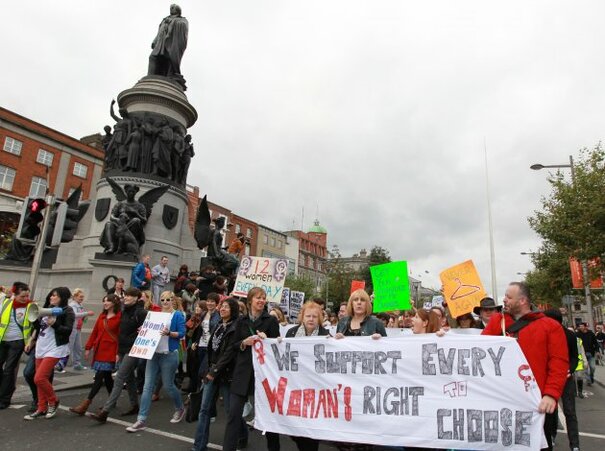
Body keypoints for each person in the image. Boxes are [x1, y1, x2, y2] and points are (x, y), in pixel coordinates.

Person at [482, 282, 568, 451]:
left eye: (508, 297)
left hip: (537, 403)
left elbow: (559, 362)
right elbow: (478, 349)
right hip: (503, 401)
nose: (504, 300)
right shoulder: (497, 322)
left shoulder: (550, 327)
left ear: (522, 301)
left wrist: (551, 394)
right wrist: (444, 336)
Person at [222, 288, 280, 451]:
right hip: (242, 373)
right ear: (250, 301)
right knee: (233, 415)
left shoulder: (271, 321)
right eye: (258, 298)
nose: (261, 301)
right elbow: (233, 345)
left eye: (263, 298)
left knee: (269, 417)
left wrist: (267, 340)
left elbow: (277, 347)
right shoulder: (241, 321)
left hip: (264, 375)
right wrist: (243, 343)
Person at [126, 291, 186, 432]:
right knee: (148, 387)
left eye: (168, 299)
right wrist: (143, 330)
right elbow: (149, 330)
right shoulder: (155, 314)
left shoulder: (177, 315)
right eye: (163, 299)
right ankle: (141, 419)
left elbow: (182, 333)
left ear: (173, 300)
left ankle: (180, 408)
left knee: (168, 385)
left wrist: (169, 333)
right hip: (153, 354)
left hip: (169, 354)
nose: (165, 302)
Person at [192, 298, 242, 451]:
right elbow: (211, 350)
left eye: (227, 307)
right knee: (204, 409)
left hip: (225, 373)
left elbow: (229, 353)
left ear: (233, 310)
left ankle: (242, 434)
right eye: (222, 307)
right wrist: (207, 369)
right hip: (211, 370)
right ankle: (199, 445)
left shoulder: (236, 327)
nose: (223, 309)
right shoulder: (218, 325)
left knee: (230, 411)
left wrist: (214, 371)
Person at [92, 288, 147, 423]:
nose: (127, 297)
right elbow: (119, 331)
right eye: (126, 295)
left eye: (130, 295)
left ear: (136, 298)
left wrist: (143, 330)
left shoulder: (141, 312)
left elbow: (147, 331)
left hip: (134, 348)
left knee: (120, 377)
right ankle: (134, 405)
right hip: (122, 348)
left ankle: (105, 410)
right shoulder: (123, 310)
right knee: (129, 378)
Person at [24, 287, 75, 420]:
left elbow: (67, 330)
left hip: (55, 348)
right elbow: (38, 327)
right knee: (41, 380)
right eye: (51, 295)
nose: (52, 298)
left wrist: (55, 324)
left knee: (39, 378)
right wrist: (34, 319)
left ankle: (53, 400)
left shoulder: (67, 311)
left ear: (62, 298)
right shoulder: (47, 308)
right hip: (41, 346)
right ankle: (41, 408)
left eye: (55, 296)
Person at [70, 294, 121, 415]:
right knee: (107, 378)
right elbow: (95, 332)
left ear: (114, 302)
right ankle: (112, 400)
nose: (105, 303)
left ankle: (86, 403)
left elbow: (120, 336)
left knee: (99, 377)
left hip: (110, 351)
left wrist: (118, 352)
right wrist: (88, 347)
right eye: (104, 301)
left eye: (108, 301)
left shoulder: (119, 317)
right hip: (99, 350)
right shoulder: (102, 316)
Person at [543, 309, 581, 451]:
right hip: (551, 377)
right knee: (550, 411)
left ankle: (574, 444)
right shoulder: (545, 334)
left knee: (569, 411)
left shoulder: (570, 335)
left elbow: (574, 357)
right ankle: (551, 436)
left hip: (565, 378)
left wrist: (570, 370)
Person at [0, 282, 34, 409]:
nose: (25, 299)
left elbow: (35, 325)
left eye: (27, 296)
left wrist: (30, 341)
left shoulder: (31, 306)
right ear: (15, 295)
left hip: (18, 341)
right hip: (3, 340)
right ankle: (4, 389)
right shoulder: (6, 302)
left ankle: (4, 399)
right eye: (22, 296)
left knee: (9, 370)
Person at [148, 4, 189, 82]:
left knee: (168, 60)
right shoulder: (165, 19)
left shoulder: (182, 20)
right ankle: (149, 79)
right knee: (152, 57)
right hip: (160, 42)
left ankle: (169, 77)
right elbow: (159, 32)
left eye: (173, 8)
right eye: (170, 8)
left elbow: (183, 29)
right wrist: (155, 40)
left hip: (171, 43)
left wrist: (173, 23)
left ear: (177, 10)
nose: (171, 9)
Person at [67, 288, 94, 370]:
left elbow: (80, 316)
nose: (82, 298)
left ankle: (77, 364)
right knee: (69, 347)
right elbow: (74, 315)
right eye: (80, 296)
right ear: (75, 296)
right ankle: (61, 363)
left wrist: (84, 317)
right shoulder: (72, 305)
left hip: (78, 328)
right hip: (72, 328)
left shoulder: (80, 305)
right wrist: (86, 313)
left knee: (78, 347)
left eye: (83, 297)